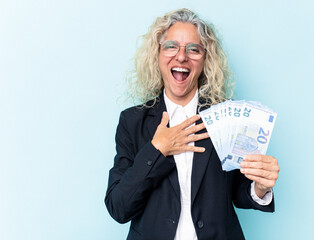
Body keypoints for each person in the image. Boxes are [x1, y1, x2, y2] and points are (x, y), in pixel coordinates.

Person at [105, 8, 280, 240]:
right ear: (157, 55)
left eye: (193, 49)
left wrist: (259, 187)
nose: (181, 56)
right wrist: (157, 150)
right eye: (171, 46)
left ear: (205, 59)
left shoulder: (228, 117)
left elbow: (240, 191)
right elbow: (119, 207)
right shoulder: (132, 122)